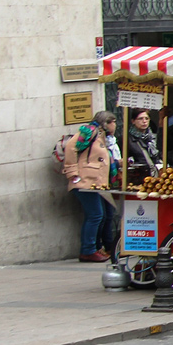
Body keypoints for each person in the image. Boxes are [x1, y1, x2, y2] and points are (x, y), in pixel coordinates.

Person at [63, 111, 117, 262]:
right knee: (95, 215)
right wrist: (73, 172)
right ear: (106, 123)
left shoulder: (103, 137)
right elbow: (70, 148)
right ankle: (87, 250)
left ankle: (97, 247)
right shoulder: (89, 132)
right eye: (113, 122)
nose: (116, 125)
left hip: (97, 182)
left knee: (103, 215)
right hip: (85, 181)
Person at [126, 107, 160, 182]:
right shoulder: (127, 139)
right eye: (140, 119)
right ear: (133, 121)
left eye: (146, 118)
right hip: (137, 178)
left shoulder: (153, 137)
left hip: (154, 177)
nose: (144, 121)